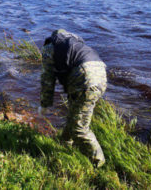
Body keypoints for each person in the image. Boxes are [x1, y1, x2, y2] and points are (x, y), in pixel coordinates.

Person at [39, 29, 107, 168]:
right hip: (101, 74)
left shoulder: (49, 48)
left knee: (79, 127)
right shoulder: (74, 42)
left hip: (85, 78)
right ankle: (64, 145)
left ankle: (99, 164)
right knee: (74, 115)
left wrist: (45, 104)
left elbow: (47, 79)